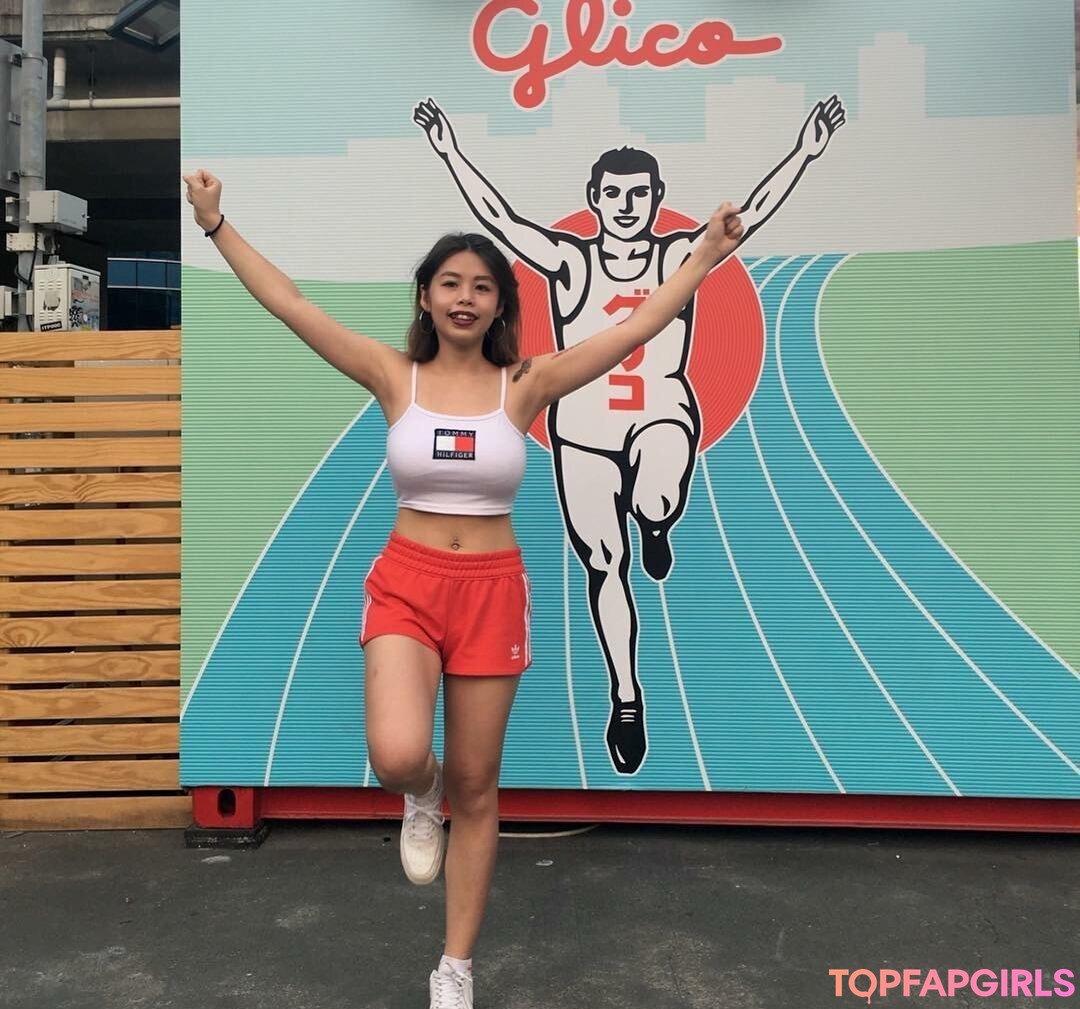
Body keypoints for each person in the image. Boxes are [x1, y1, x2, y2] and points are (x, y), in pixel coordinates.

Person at [182, 167, 744, 1009]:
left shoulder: (526, 384)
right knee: (398, 752)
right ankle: (420, 788)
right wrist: (216, 225)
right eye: (451, 282)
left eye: (482, 286)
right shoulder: (391, 375)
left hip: (491, 591)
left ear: (499, 306)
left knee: (480, 787)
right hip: (407, 584)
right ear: (426, 295)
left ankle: (455, 967)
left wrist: (701, 257)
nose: (465, 297)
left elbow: (633, 328)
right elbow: (291, 303)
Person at [414, 95, 845, 774]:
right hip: (583, 434)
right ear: (594, 199)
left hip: (660, 413)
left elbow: (751, 215)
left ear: (656, 199)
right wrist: (450, 150)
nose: (625, 205)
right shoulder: (569, 261)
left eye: (638, 194)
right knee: (604, 564)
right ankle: (625, 695)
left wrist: (805, 152)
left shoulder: (679, 256)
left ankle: (656, 522)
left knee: (653, 497)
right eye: (613, 193)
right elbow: (500, 219)